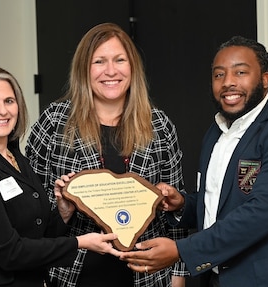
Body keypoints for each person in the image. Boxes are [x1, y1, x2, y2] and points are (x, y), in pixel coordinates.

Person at [119, 35, 268, 287]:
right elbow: (219, 202)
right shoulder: (217, 131)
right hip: (215, 280)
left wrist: (181, 250)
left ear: (265, 79)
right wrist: (183, 204)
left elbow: (257, 215)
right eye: (219, 75)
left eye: (241, 72)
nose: (228, 83)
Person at [25, 22, 190, 287]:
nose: (110, 71)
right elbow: (30, 213)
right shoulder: (54, 123)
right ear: (83, 70)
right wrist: (64, 209)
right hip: (71, 276)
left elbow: (176, 214)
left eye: (119, 60)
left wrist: (179, 277)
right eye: (99, 61)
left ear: (132, 67)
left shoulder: (159, 125)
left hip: (147, 276)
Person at [0, 64, 120, 287]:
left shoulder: (16, 157)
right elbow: (9, 251)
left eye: (9, 101)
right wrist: (79, 243)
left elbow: (35, 235)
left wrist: (63, 212)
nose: (3, 111)